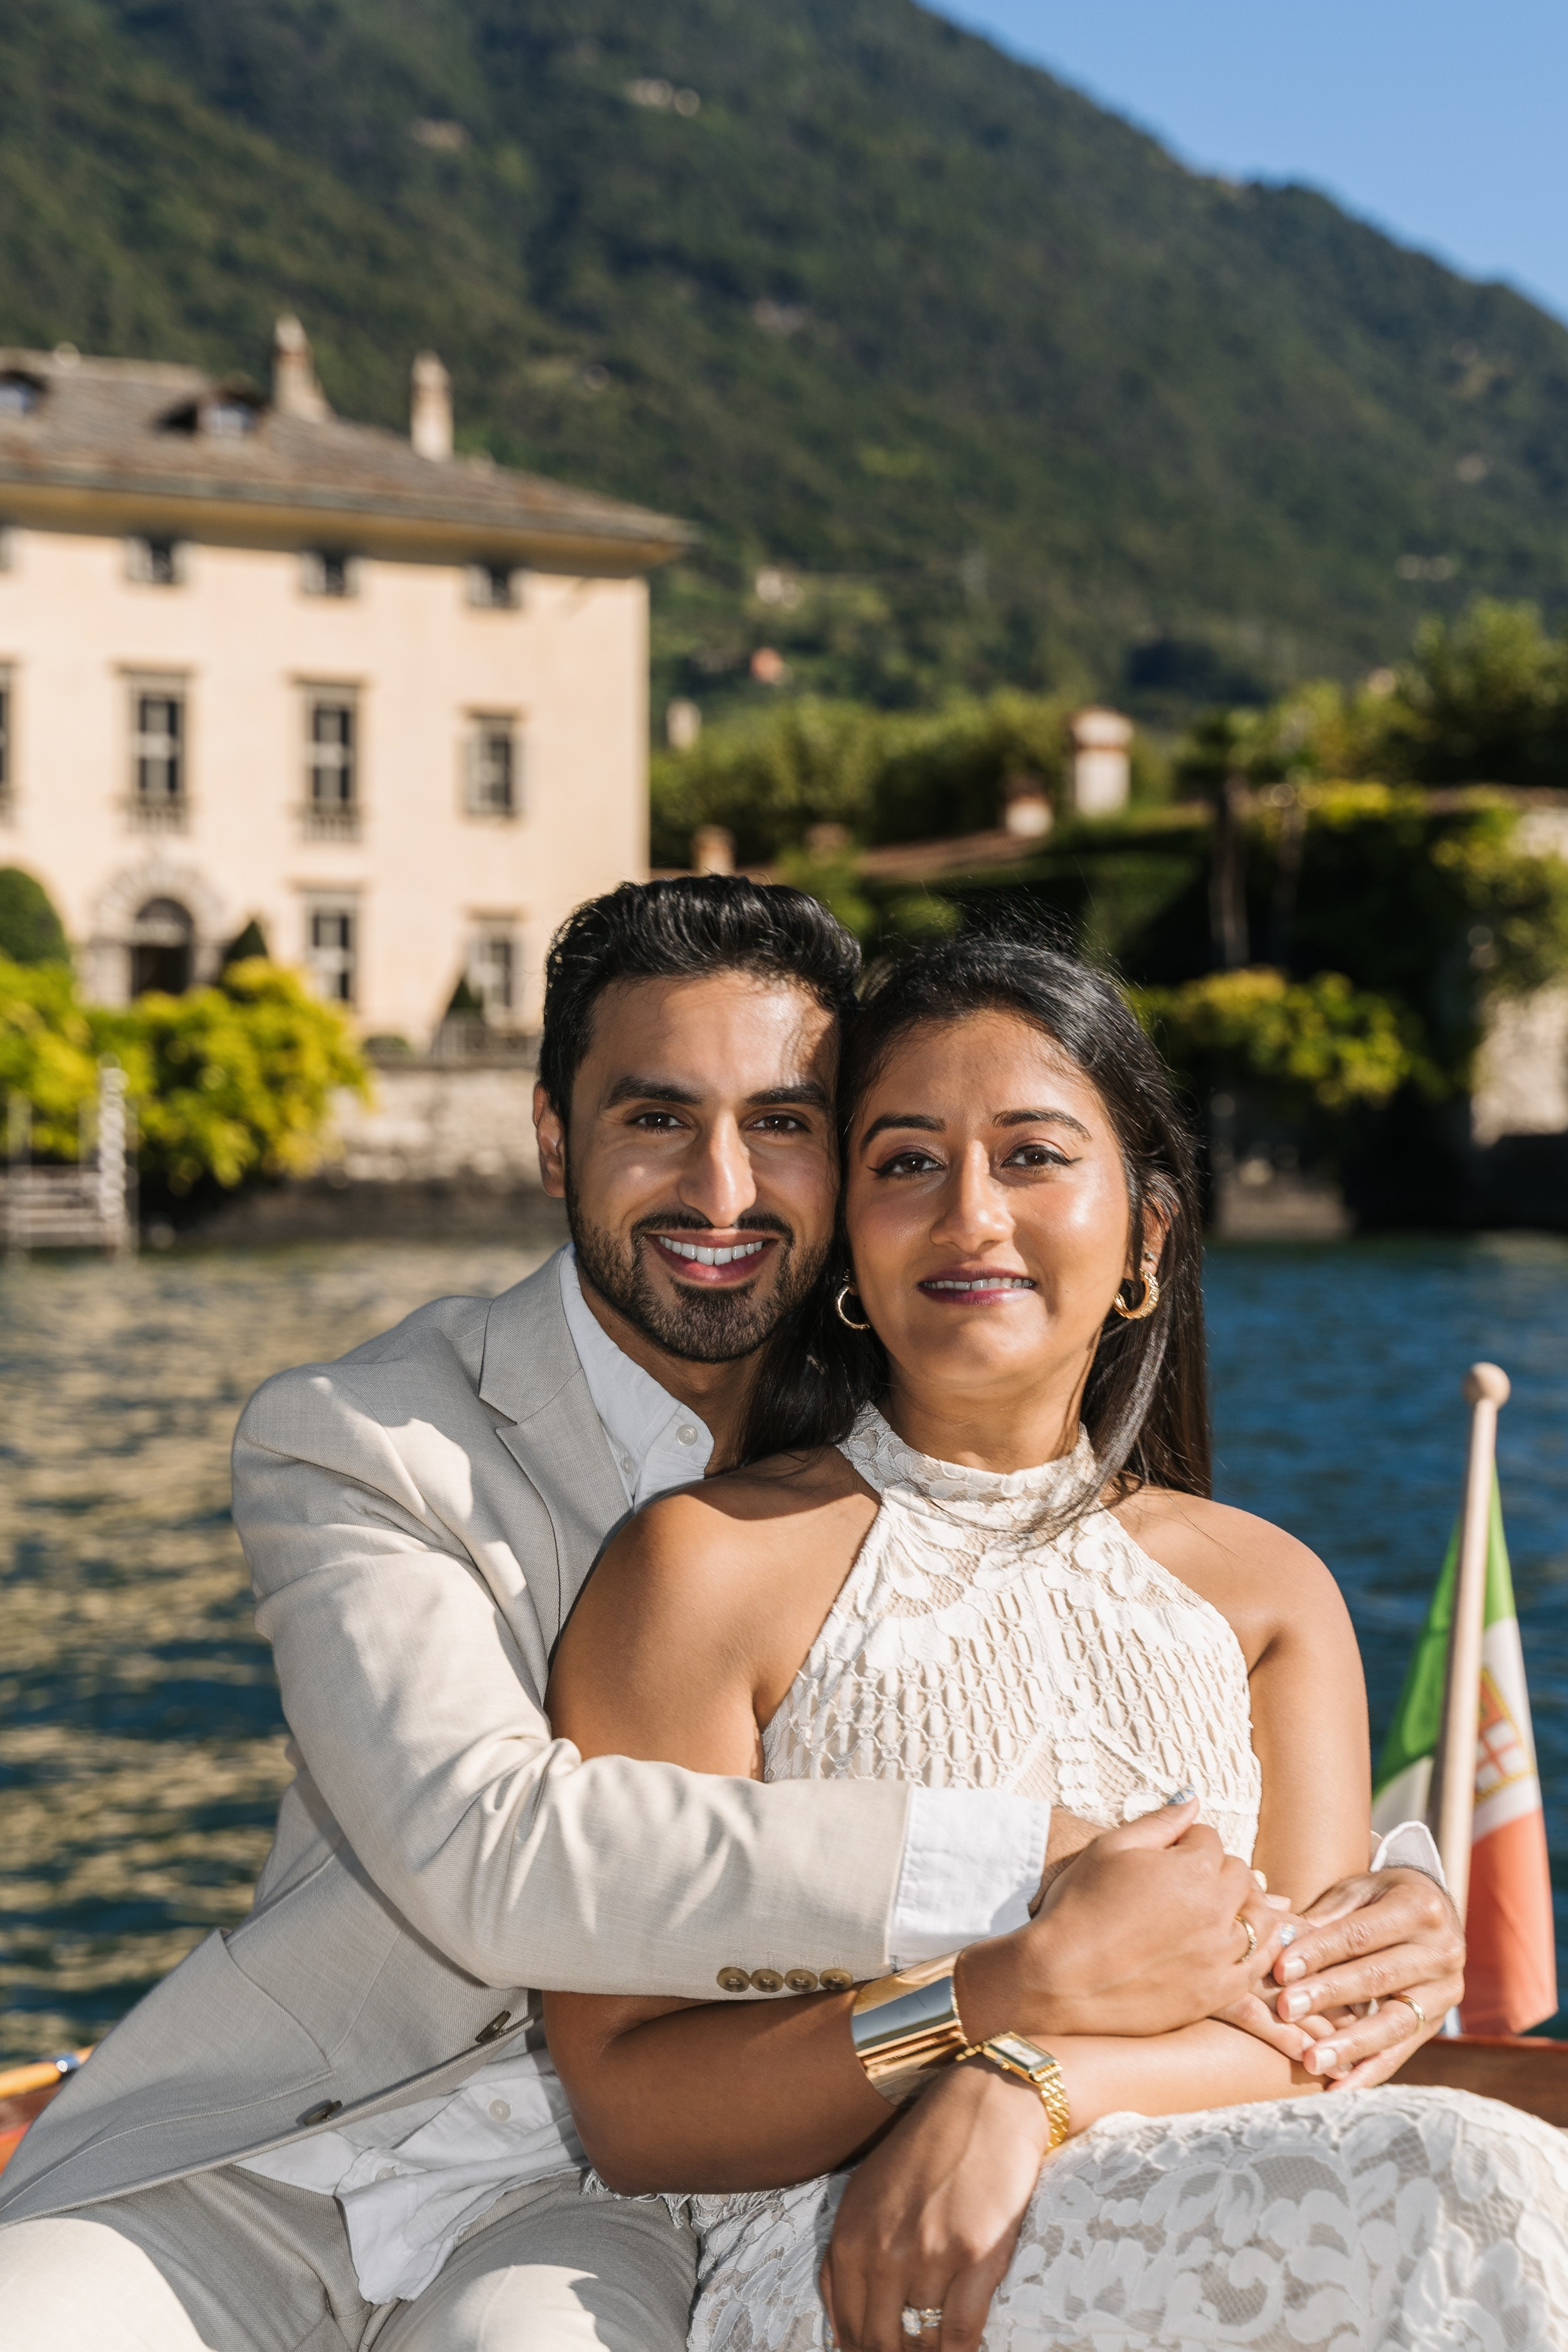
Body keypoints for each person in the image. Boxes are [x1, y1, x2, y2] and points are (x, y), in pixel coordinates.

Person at [0, 882, 1464, 2351]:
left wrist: (1387, 1901)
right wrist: (1036, 1885)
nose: (720, 1191)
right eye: (653, 1120)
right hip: (310, 2139)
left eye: (781, 1124)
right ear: (552, 1137)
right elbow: (483, 1843)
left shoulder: (932, 1415)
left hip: (611, 2209)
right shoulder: (369, 1439)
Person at [543, 931, 1568, 2352]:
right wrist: (958, 2039)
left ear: (1144, 1231)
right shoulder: (703, 1569)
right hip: (847, 2241)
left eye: (1030, 1155)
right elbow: (628, 2102)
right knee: (1467, 2180)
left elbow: (1310, 2032)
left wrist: (1025, 2087)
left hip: (1232, 2168)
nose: (969, 1212)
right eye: (904, 1162)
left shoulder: (1266, 1594)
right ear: (848, 1232)